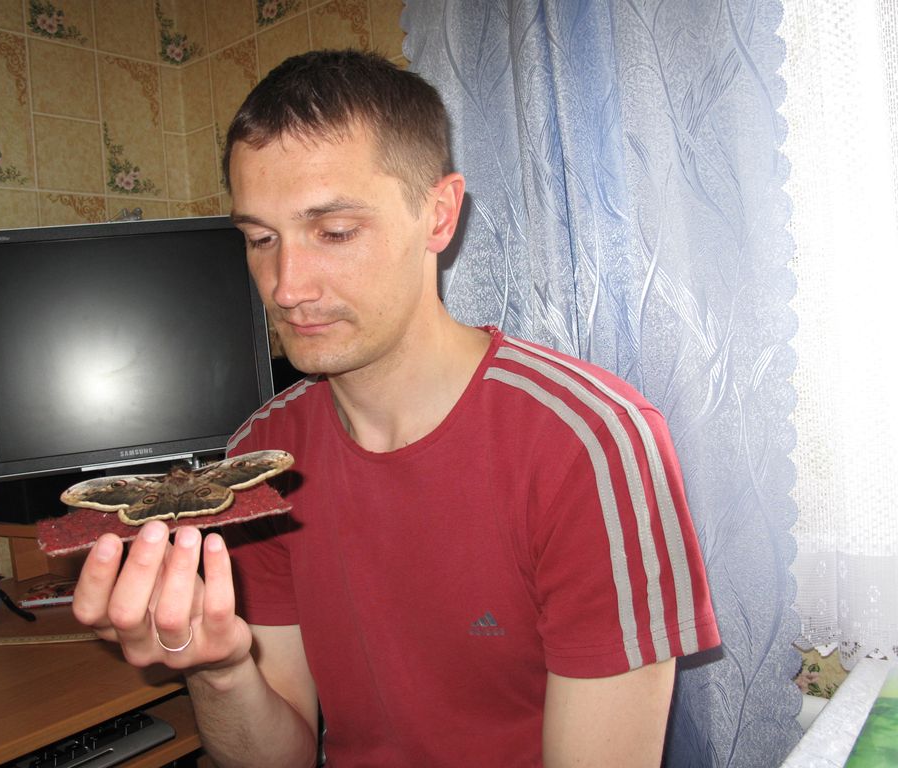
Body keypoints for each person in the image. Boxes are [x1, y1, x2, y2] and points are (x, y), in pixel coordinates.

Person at [73, 49, 721, 767]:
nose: (286, 287)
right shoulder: (261, 456)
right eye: (260, 239)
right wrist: (219, 671)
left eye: (335, 232)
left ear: (438, 216)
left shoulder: (593, 444)